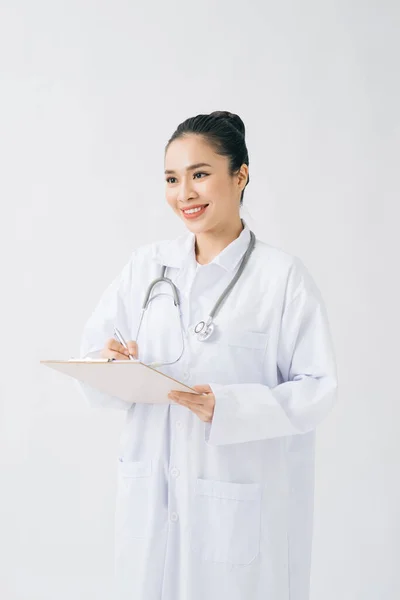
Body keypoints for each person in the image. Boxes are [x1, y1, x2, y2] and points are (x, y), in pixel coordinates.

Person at [78, 111, 338, 600]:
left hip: (235, 500)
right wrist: (112, 363)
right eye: (172, 179)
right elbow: (94, 355)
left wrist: (232, 407)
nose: (184, 193)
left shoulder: (280, 278)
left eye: (200, 174)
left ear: (240, 176)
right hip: (151, 493)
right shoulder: (147, 266)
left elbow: (317, 389)